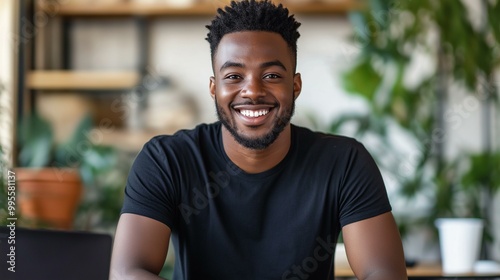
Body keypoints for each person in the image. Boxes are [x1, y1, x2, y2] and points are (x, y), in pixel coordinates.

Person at [110, 0, 407, 279]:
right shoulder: (167, 160)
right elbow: (127, 273)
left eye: (272, 76)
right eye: (234, 76)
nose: (252, 91)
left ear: (296, 85)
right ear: (214, 88)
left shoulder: (343, 163)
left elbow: (383, 274)